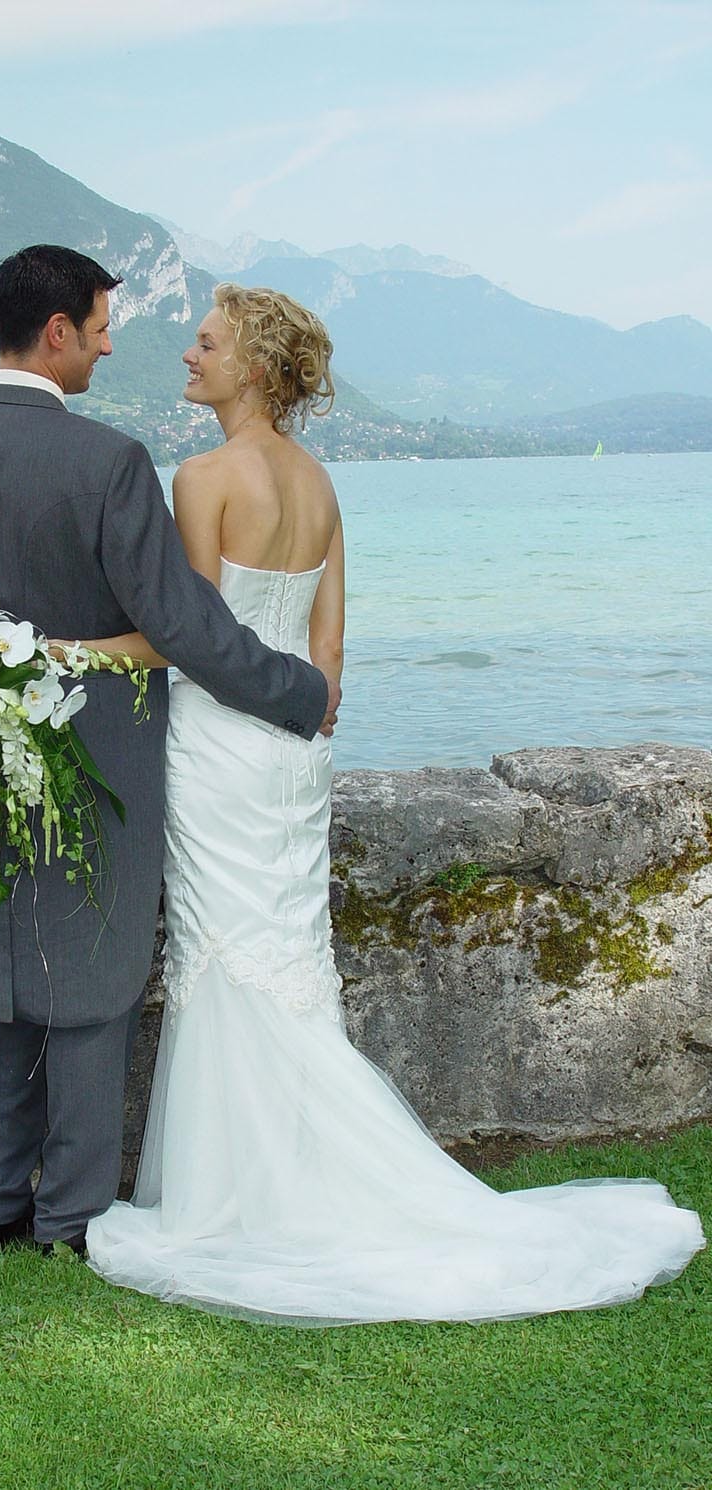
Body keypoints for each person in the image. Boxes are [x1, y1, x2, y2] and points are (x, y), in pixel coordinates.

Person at [83, 283, 705, 1324]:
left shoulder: (200, 477)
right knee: (280, 955)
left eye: (206, 342)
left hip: (218, 749)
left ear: (253, 365)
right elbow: (327, 656)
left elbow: (188, 634)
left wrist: (60, 649)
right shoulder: (321, 483)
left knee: (222, 956)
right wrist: (301, 716)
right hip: (290, 757)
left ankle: (231, 1197)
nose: (187, 352)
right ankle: (294, 1174)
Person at [0, 247, 338, 1258]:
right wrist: (298, 691)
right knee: (88, 984)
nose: (110, 341)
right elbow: (180, 621)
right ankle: (70, 1218)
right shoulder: (107, 462)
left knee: (1, 982)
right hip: (100, 773)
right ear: (55, 333)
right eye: (98, 324)